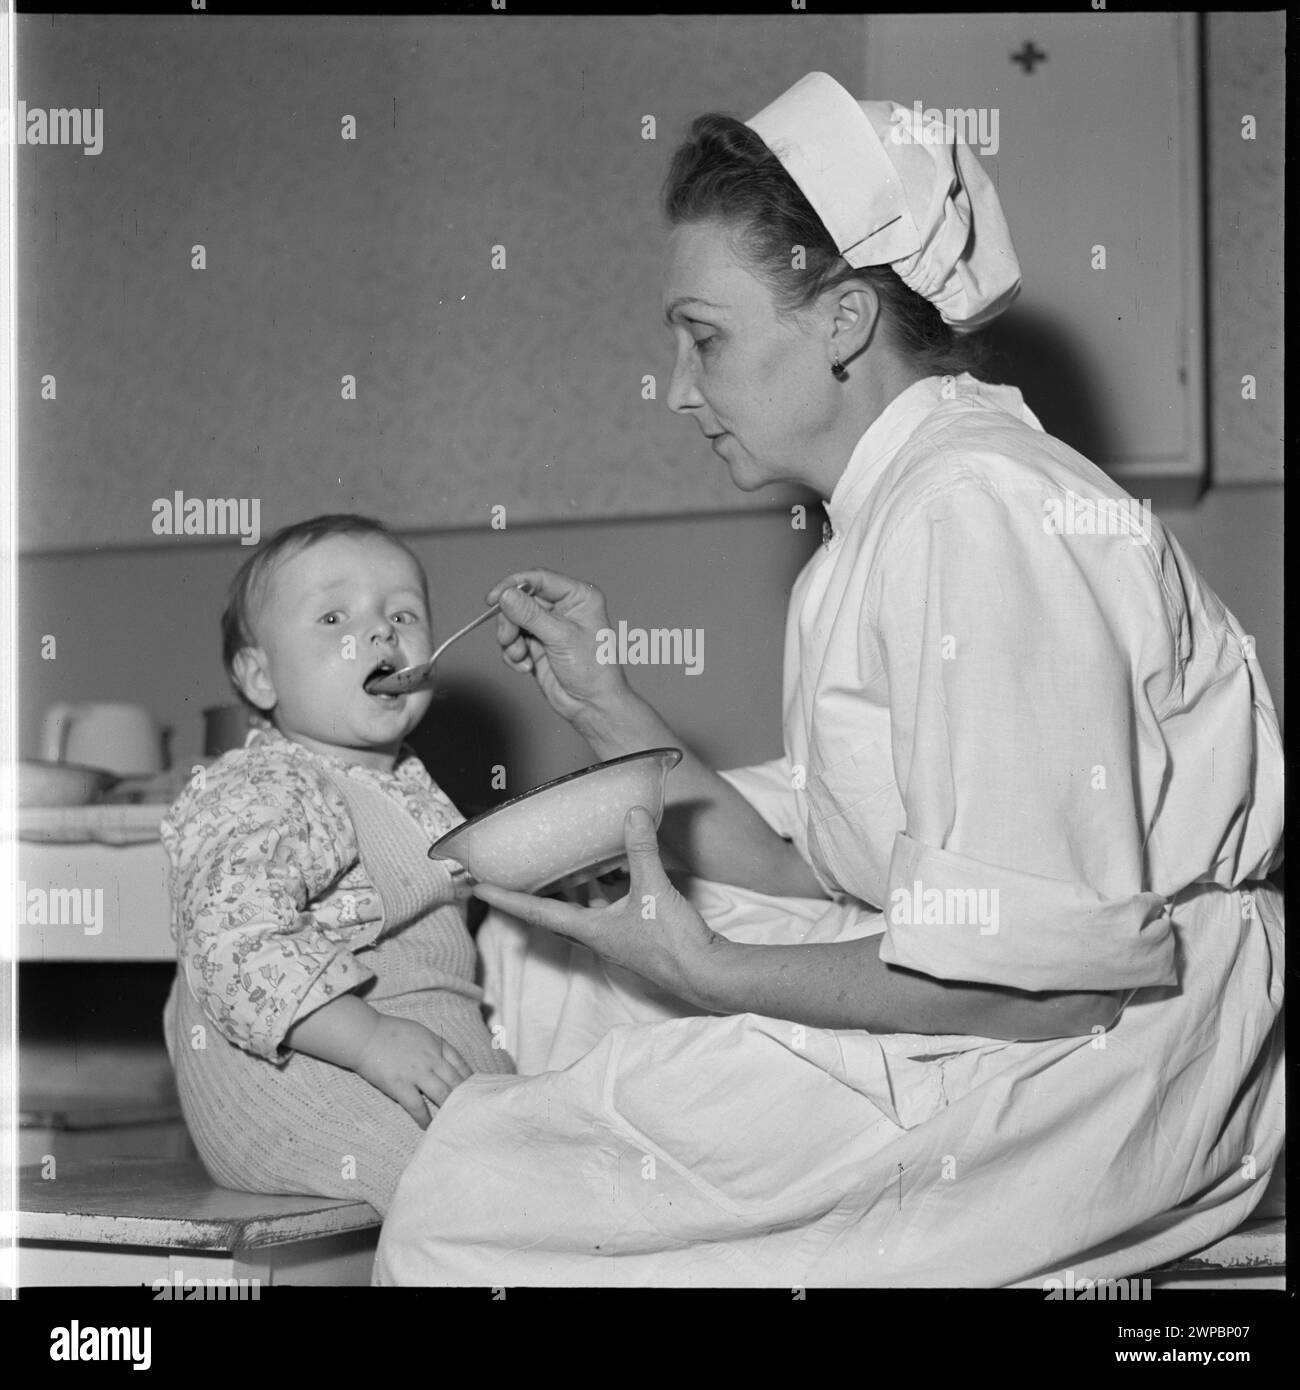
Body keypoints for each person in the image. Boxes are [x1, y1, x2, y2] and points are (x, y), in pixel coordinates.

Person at [375, 73, 1284, 1285]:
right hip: (1024, 1000)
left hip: (1102, 1062)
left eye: (705, 337)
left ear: (845, 317)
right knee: (550, 971)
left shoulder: (976, 514)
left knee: (469, 1202)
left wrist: (712, 971)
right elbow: (837, 857)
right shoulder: (878, 523)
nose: (680, 387)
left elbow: (1045, 985)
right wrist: (606, 701)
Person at [161, 514, 513, 1215]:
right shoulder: (266, 785)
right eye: (333, 616)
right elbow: (235, 943)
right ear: (261, 676)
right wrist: (370, 1040)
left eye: (403, 614)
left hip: (409, 1056)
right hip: (296, 1074)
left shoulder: (406, 781)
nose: (381, 632)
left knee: (551, 1160)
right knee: (470, 1198)